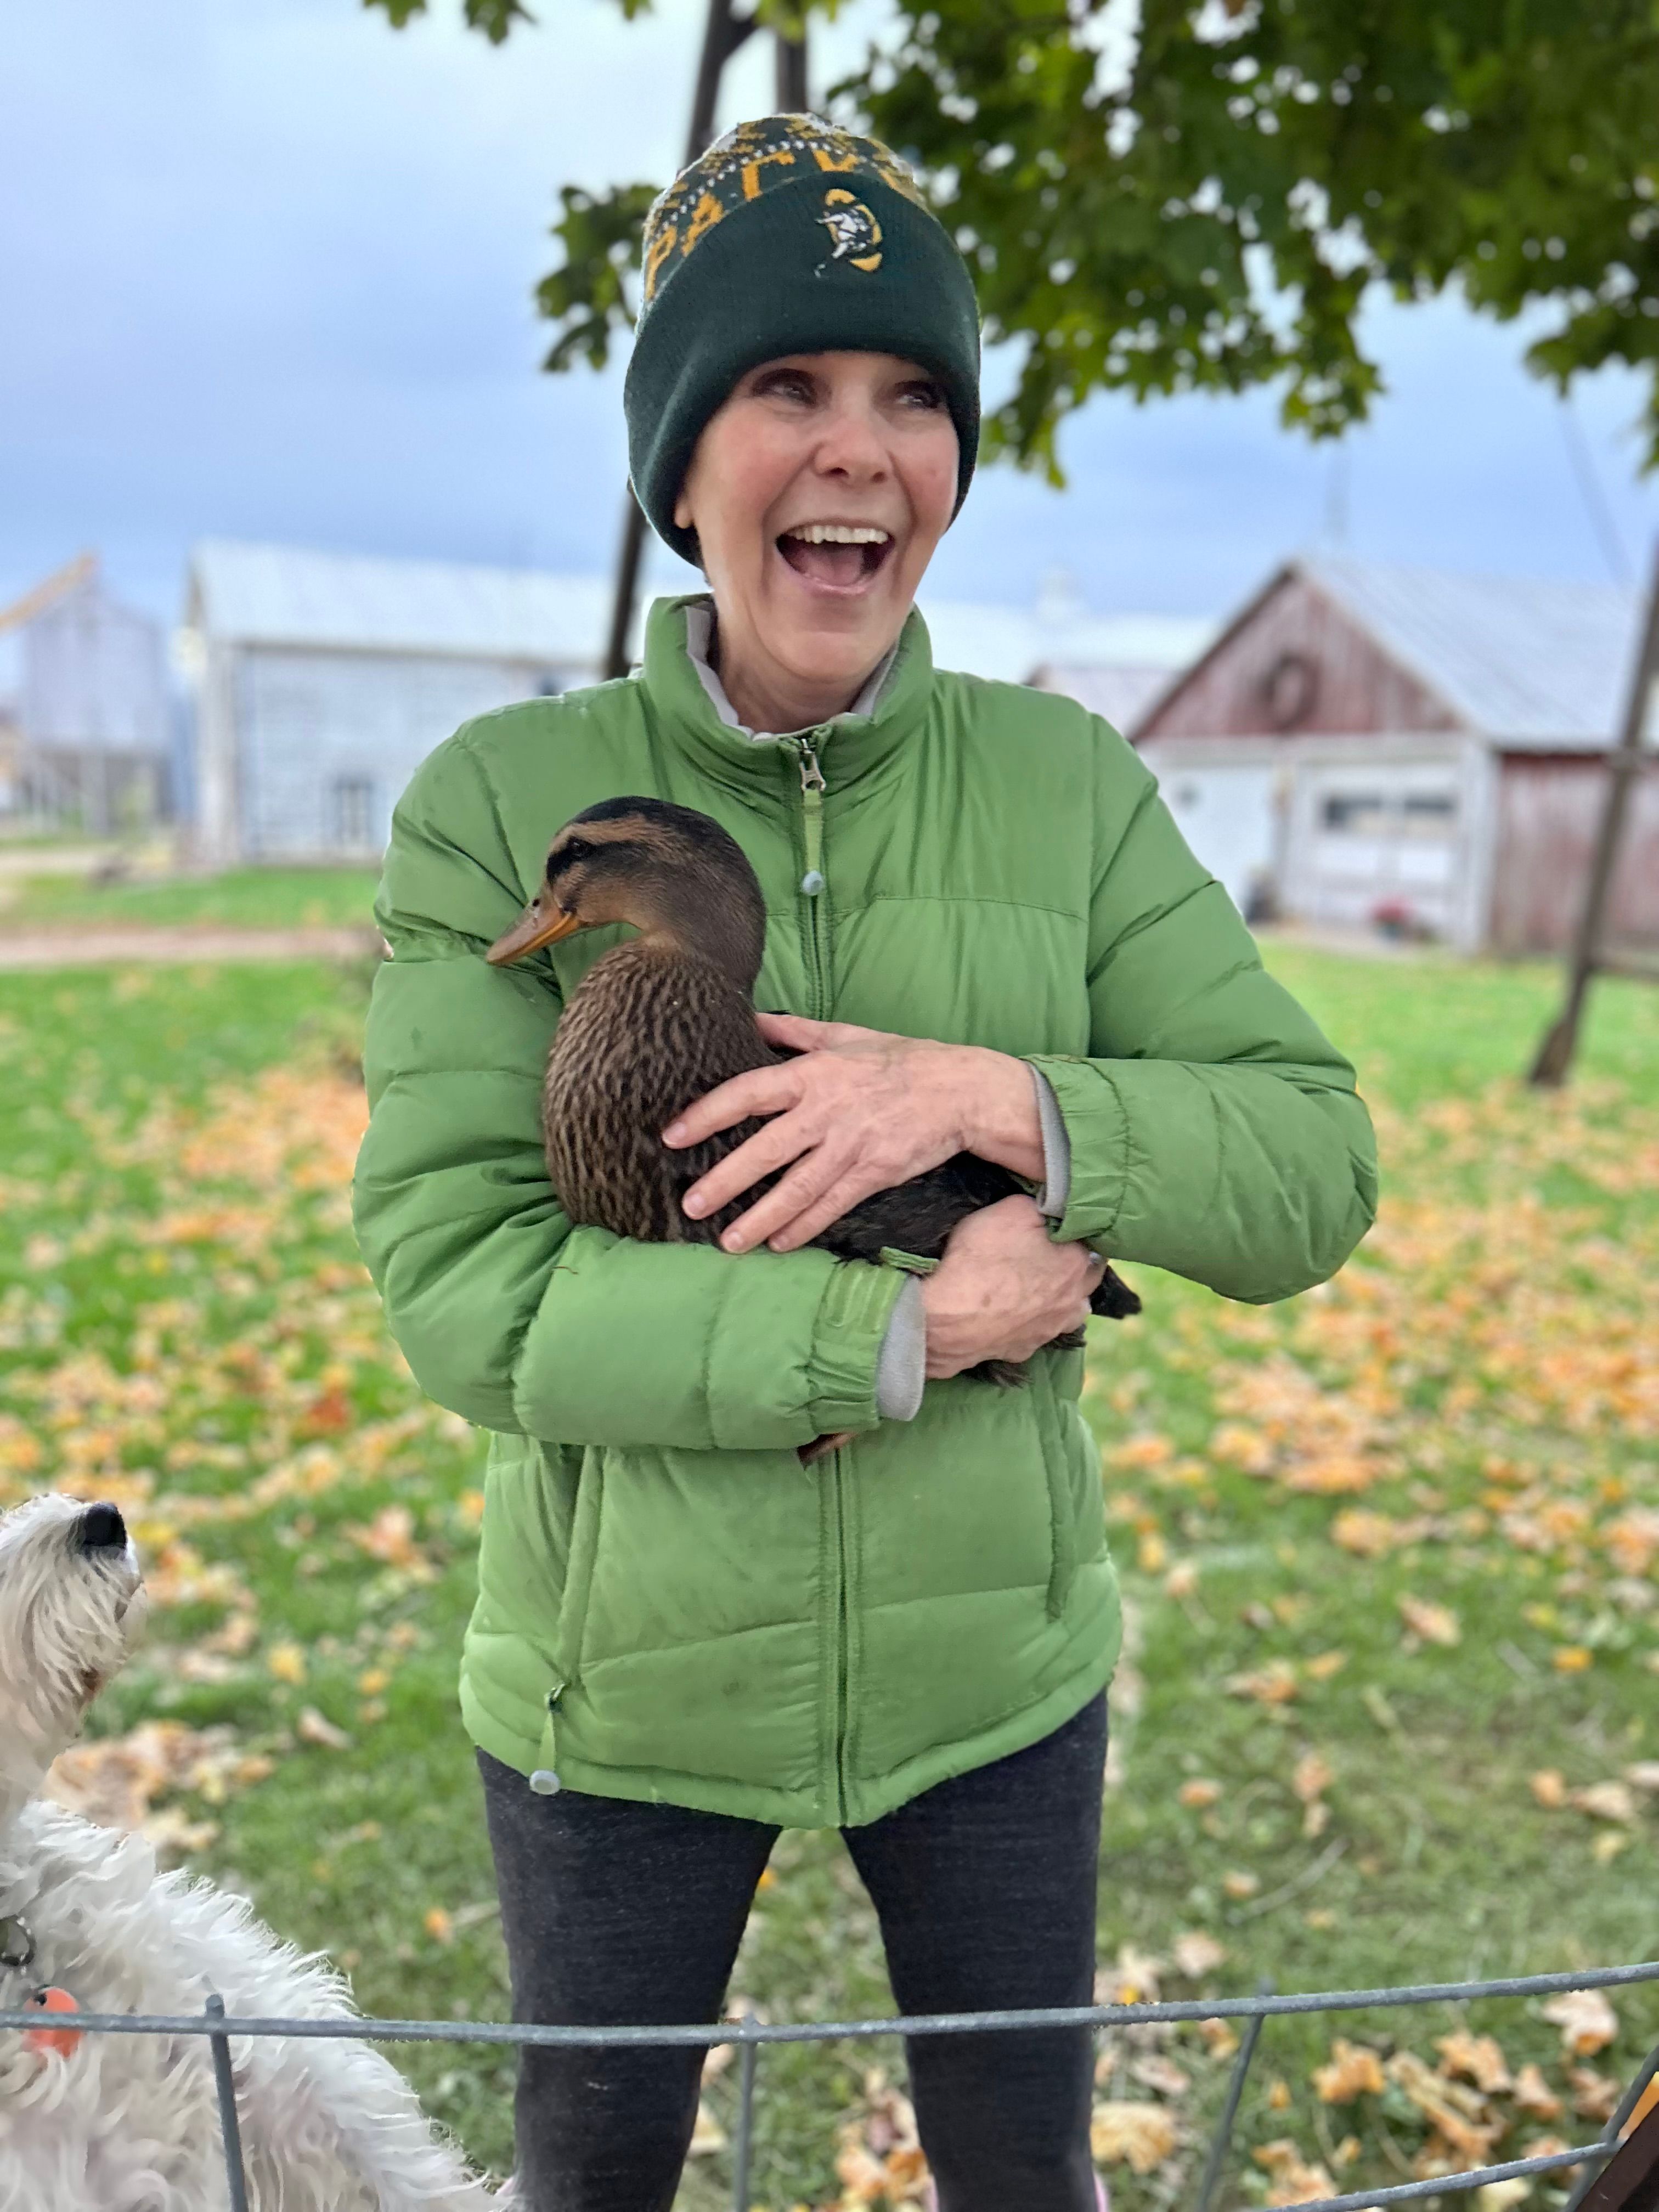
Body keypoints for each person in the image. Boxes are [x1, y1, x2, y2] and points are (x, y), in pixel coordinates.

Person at [353, 113, 1378, 2212]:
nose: (860, 450)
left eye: (916, 395)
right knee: (591, 2175)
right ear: (682, 462)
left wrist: (994, 1097)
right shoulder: (502, 801)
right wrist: (899, 1338)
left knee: (1023, 2173)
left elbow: (1310, 1163)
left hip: (993, 1669)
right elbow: (465, 1288)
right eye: (787, 385)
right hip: (619, 1681)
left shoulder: (1065, 785)